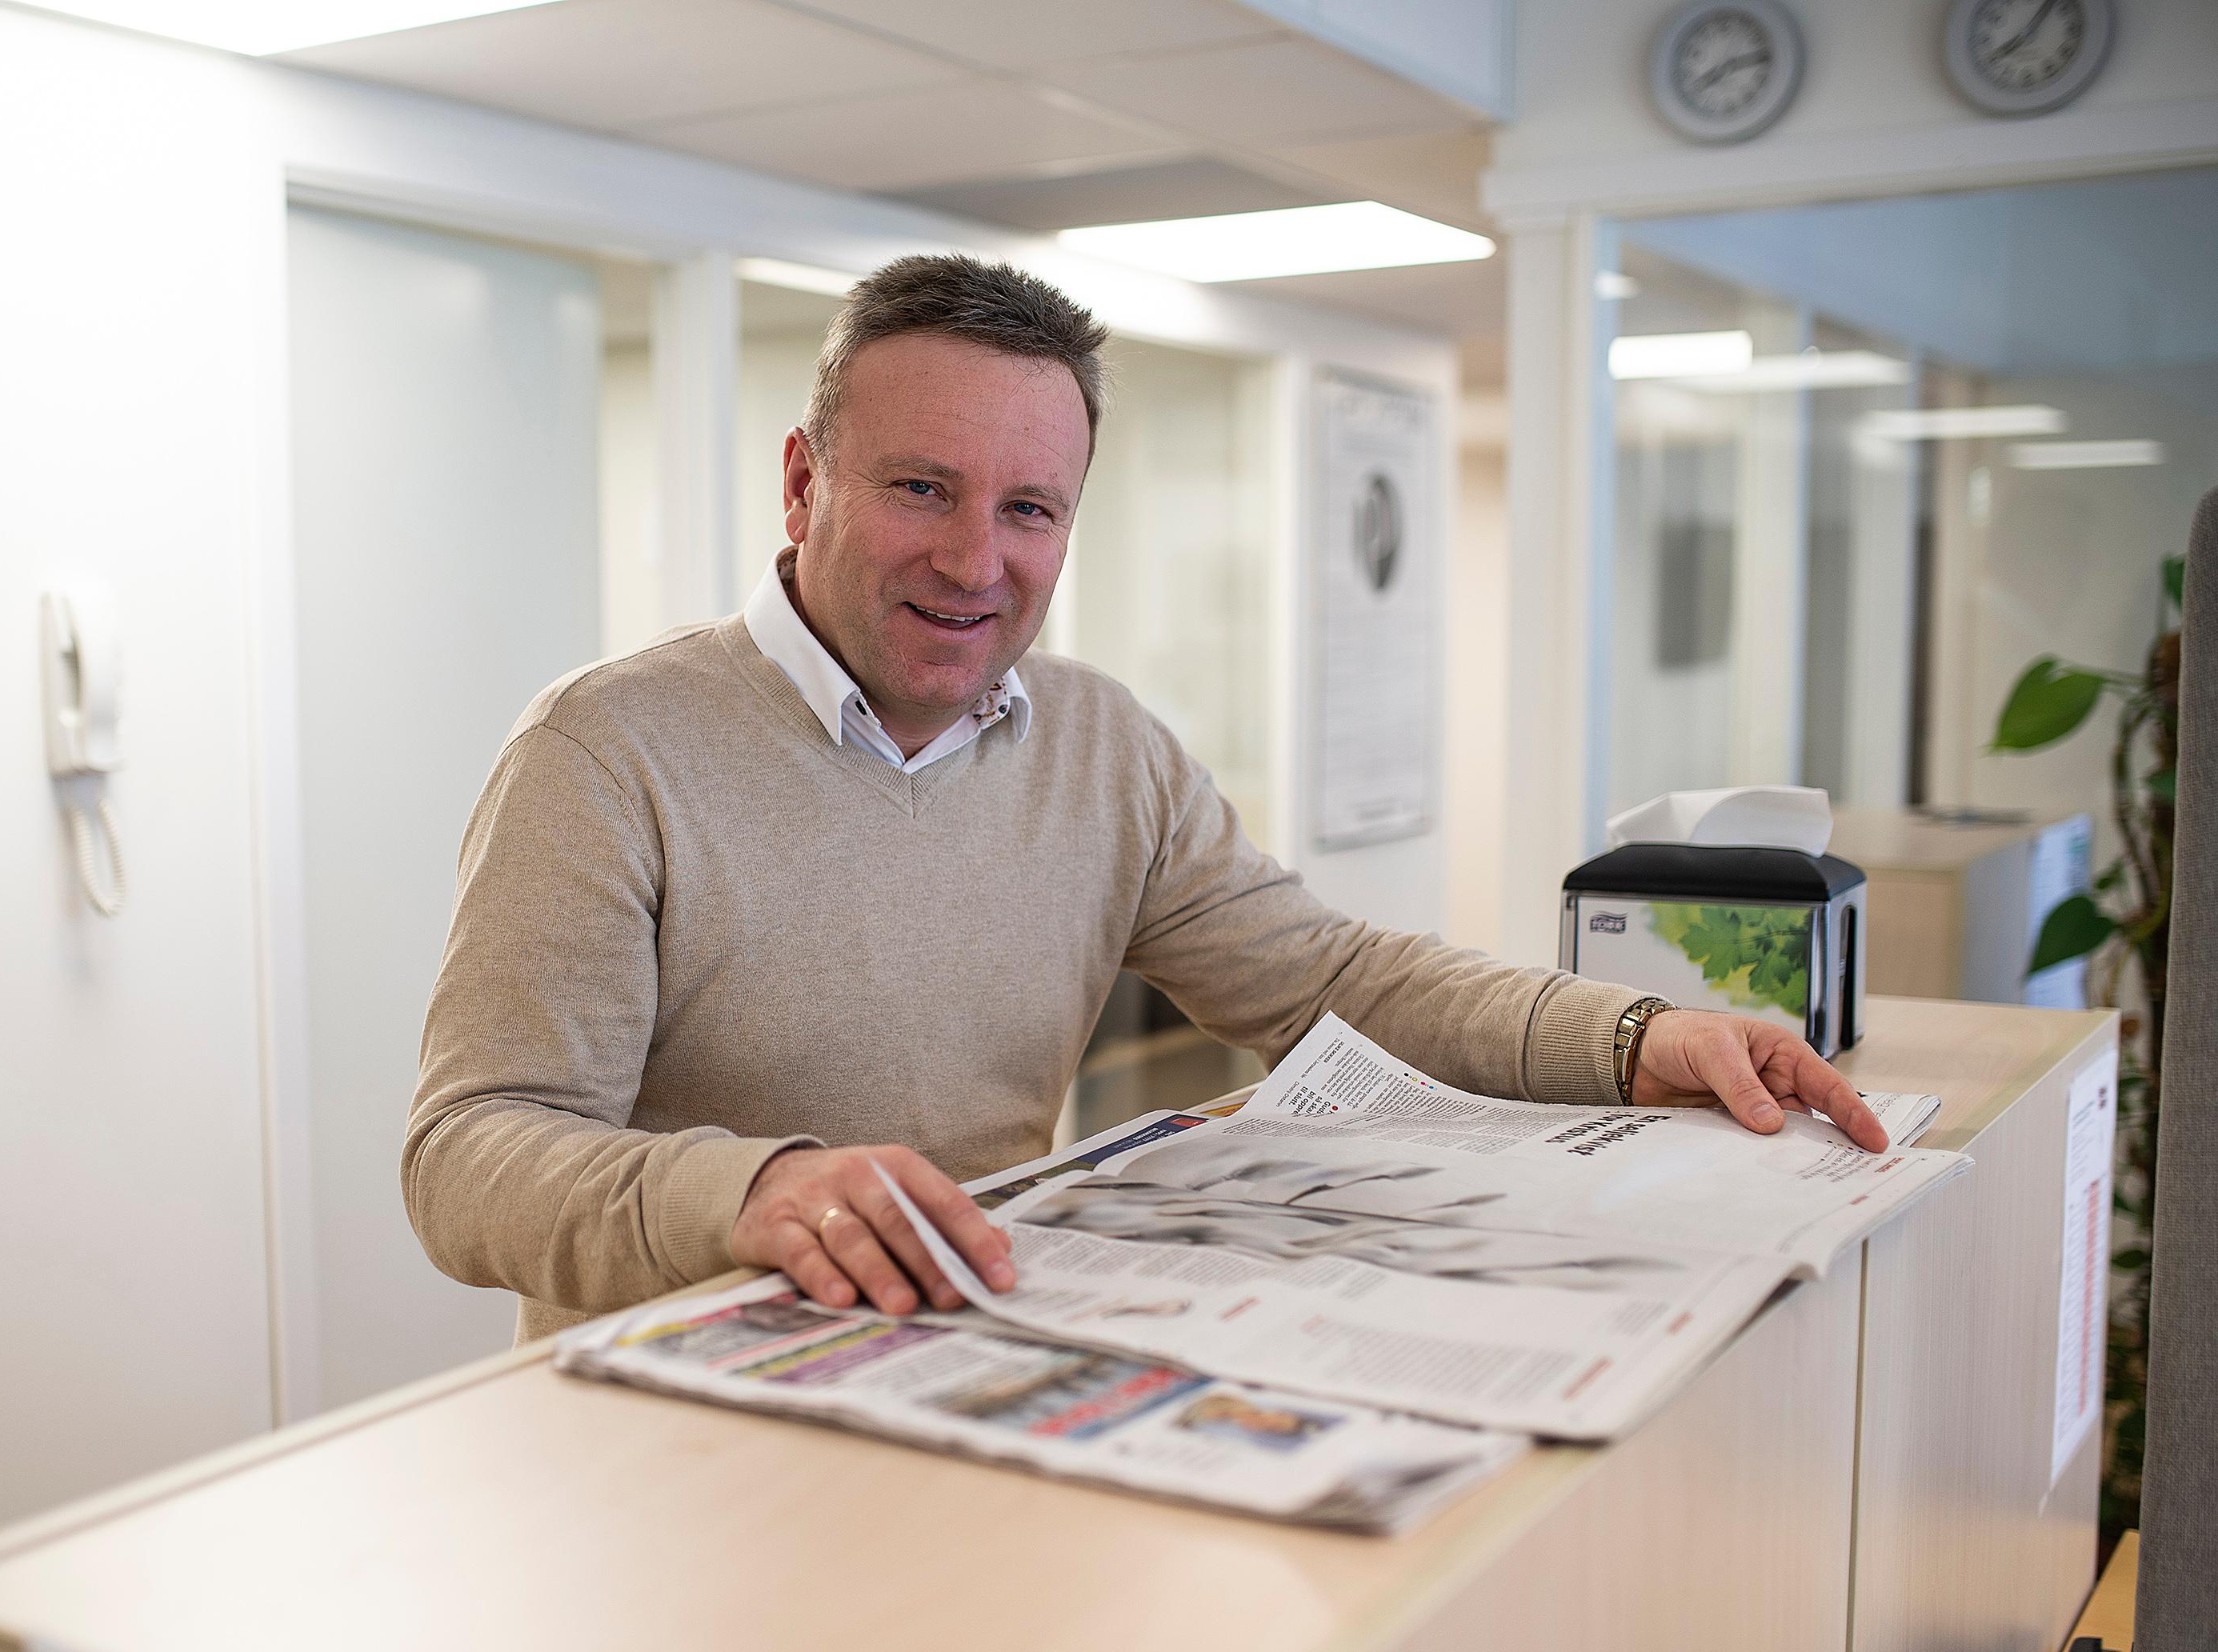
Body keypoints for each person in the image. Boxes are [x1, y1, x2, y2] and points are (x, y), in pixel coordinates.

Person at [404, 254, 1887, 1344]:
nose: (976, 558)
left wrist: (1640, 1035)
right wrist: (755, 1191)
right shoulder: (606, 751)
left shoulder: (1103, 747)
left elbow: (1332, 980)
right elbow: (469, 1154)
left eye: (1028, 508)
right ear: (803, 483)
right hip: (675, 1415)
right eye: (921, 488)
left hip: (978, 1363)